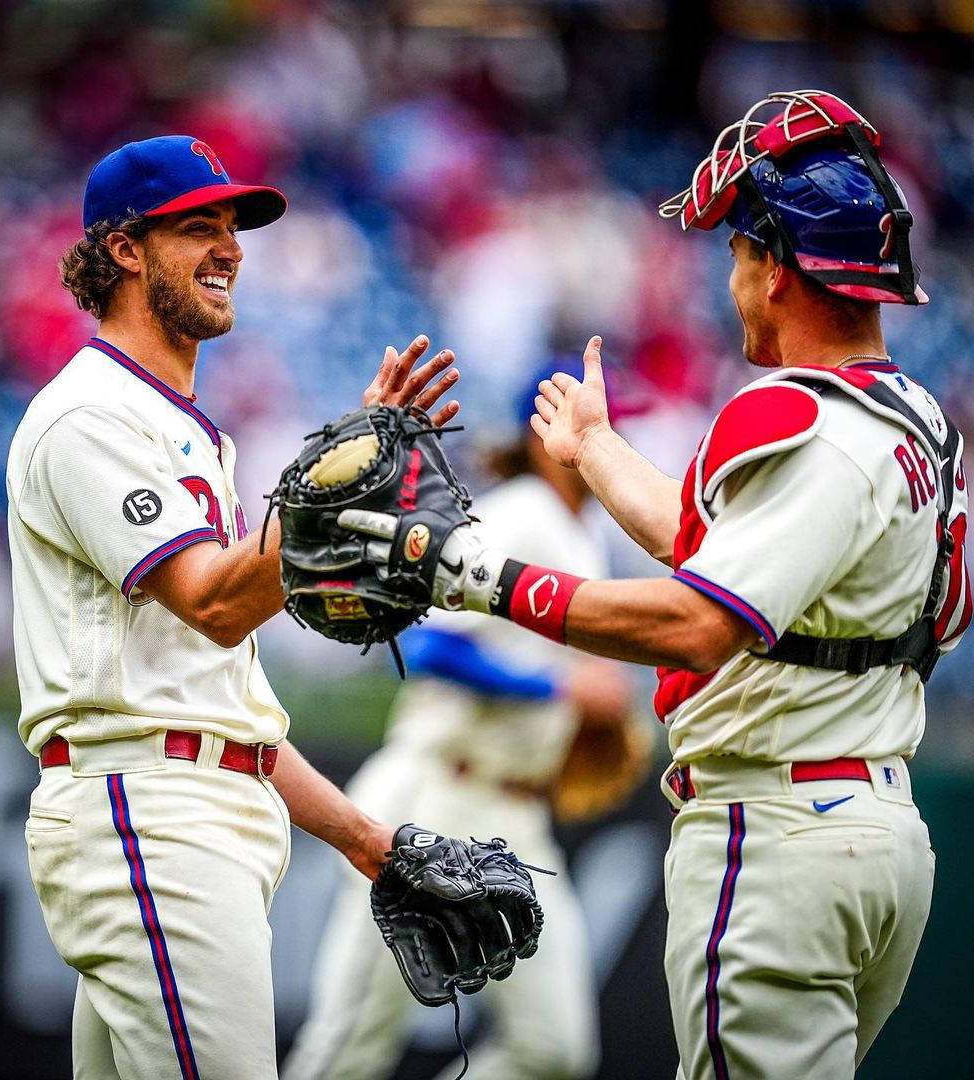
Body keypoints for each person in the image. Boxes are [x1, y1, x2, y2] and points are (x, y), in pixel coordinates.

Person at [338, 91, 971, 1078]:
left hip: (782, 830)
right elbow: (716, 546)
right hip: (874, 829)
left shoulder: (806, 422)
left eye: (738, 253)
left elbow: (694, 624)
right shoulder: (914, 422)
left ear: (780, 267)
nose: (732, 277)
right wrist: (595, 449)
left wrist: (462, 571)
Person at [7, 135, 462, 1080]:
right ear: (125, 249)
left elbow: (226, 709)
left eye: (234, 227)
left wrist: (365, 840)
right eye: (198, 226)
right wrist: (338, 477)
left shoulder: (183, 426)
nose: (231, 248)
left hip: (186, 808)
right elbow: (213, 605)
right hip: (149, 815)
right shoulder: (92, 414)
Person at [281, 364, 651, 1080]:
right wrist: (557, 689)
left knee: (555, 1050)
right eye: (595, 419)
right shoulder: (521, 510)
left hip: (511, 813)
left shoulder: (574, 529)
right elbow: (426, 643)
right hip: (436, 798)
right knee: (350, 1042)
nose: (617, 434)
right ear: (544, 435)